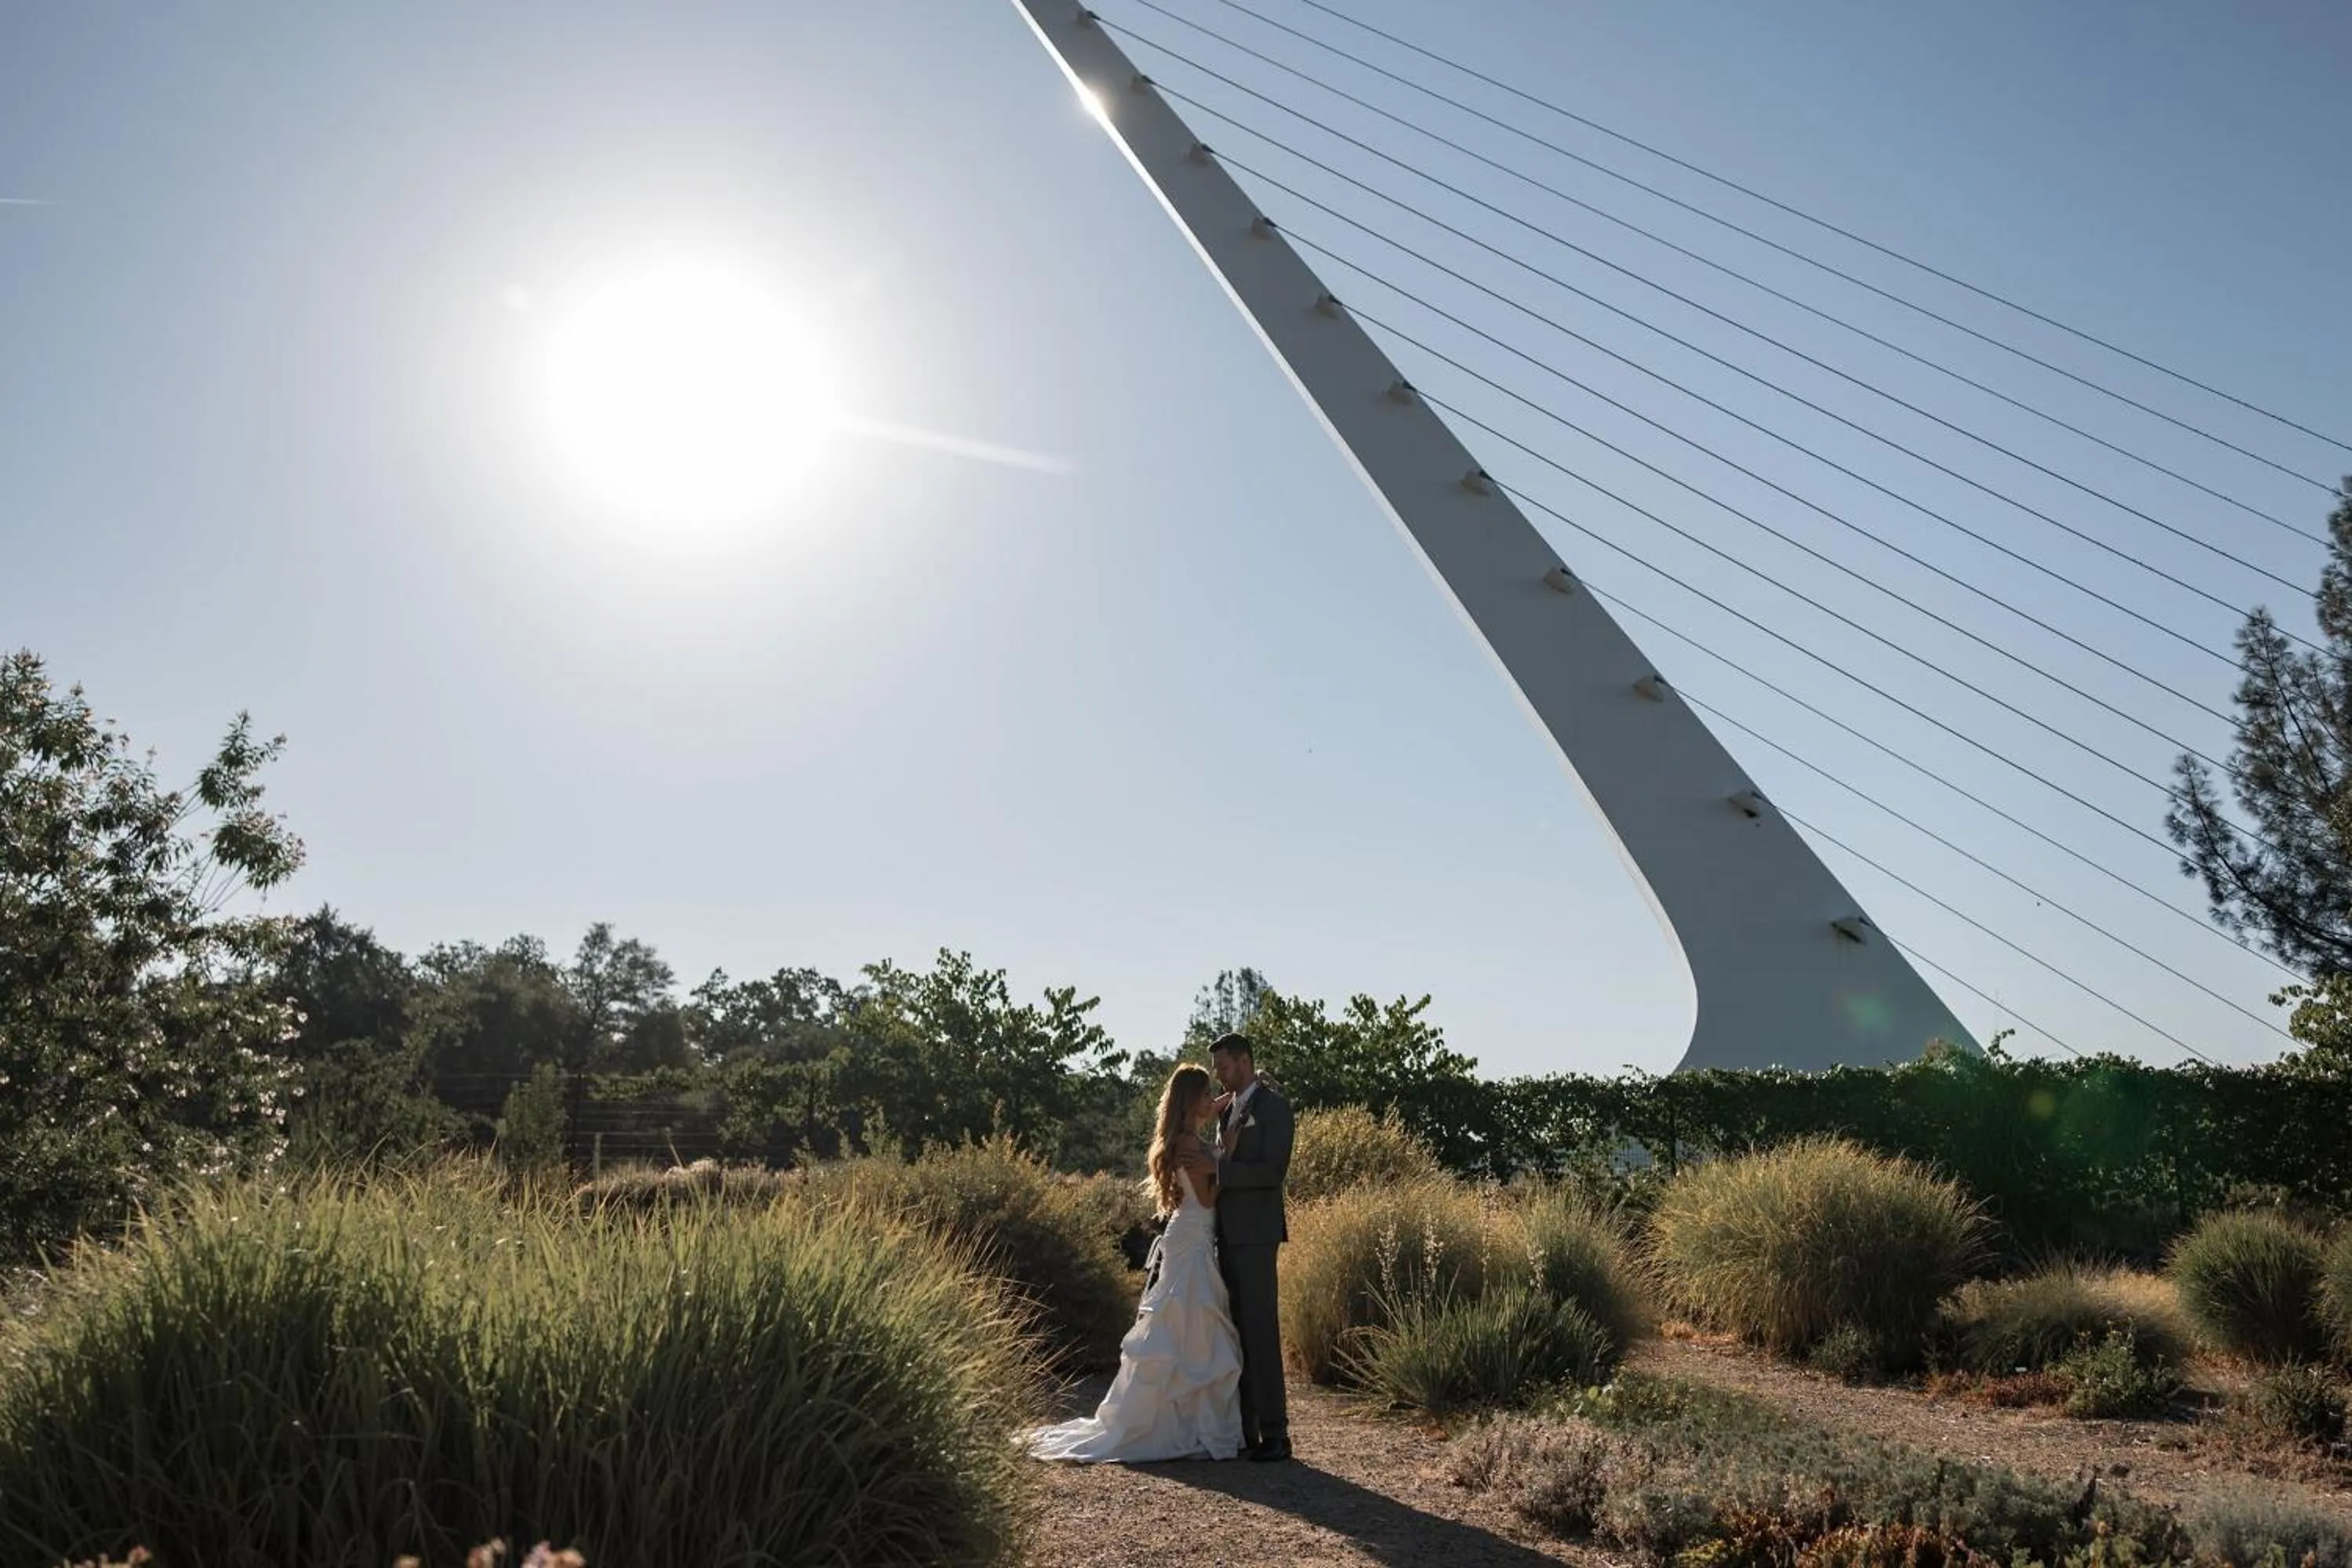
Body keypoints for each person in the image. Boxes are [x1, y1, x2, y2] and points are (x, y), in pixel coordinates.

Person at [1022, 1064, 1244, 1463]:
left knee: (1192, 1328)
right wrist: (1228, 1148)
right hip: (1191, 1236)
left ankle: (1189, 1417)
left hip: (1195, 1235)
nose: (1212, 1098)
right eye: (1206, 1093)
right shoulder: (1185, 1144)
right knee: (1187, 1326)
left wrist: (1242, 1093)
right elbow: (1210, 1197)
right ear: (1190, 1100)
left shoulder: (1189, 1136)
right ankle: (1175, 1422)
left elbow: (1218, 1110)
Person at [1210, 1030, 1293, 1462]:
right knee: (1237, 1331)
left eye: (1223, 1067)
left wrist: (1221, 1172)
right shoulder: (1228, 1111)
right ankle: (1248, 1430)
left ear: (1243, 1062)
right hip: (1226, 1234)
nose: (1219, 1075)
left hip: (1257, 1236)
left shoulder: (1275, 1108)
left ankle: (1277, 1433)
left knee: (1261, 1331)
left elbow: (1272, 1171)